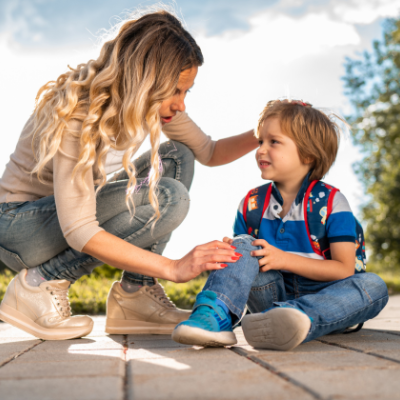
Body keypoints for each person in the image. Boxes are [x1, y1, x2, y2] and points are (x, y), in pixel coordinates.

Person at [0, 10, 258, 340]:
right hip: (18, 229)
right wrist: (174, 268)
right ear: (147, 80)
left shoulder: (152, 107)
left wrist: (262, 131)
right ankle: (39, 283)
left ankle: (135, 295)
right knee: (168, 197)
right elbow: (79, 230)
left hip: (59, 222)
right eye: (175, 90)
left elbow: (209, 151)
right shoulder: (80, 111)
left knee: (179, 157)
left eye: (186, 93)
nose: (180, 105)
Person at [172, 99, 389, 350]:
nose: (260, 150)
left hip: (329, 299)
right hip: (270, 296)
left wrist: (285, 259)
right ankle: (214, 316)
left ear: (308, 153)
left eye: (273, 142)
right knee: (243, 244)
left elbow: (343, 270)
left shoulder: (333, 203)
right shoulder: (251, 204)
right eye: (260, 141)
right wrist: (236, 253)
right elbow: (245, 266)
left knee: (374, 286)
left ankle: (295, 319)